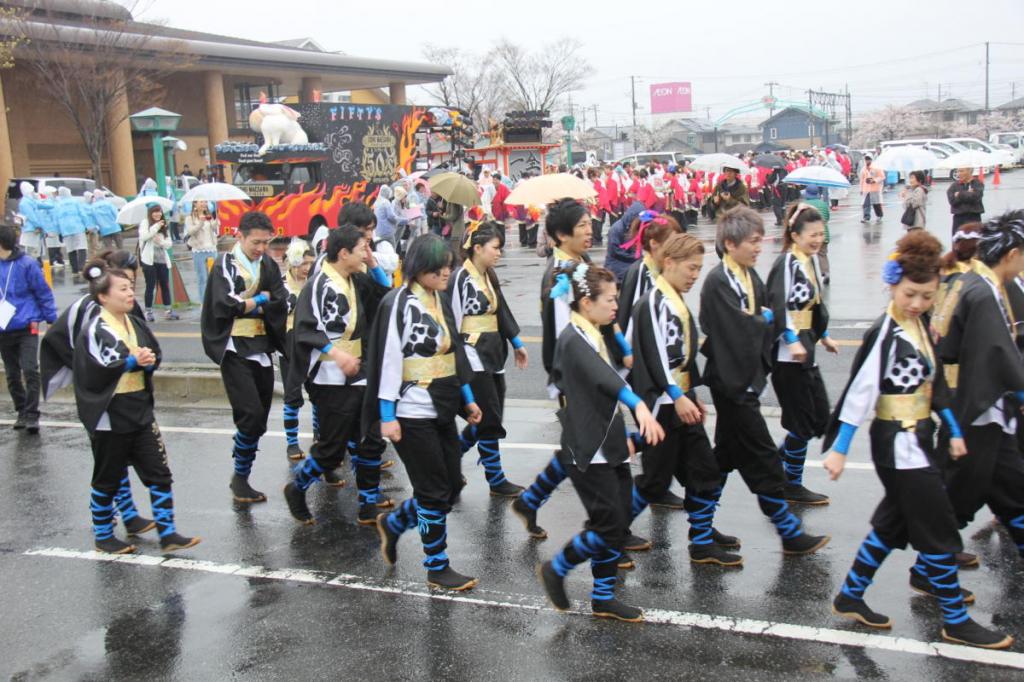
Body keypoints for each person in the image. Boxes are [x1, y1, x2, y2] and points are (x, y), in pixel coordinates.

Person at [822, 231, 1011, 650]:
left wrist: (954, 430)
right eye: (910, 294)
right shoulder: (885, 332)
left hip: (918, 438)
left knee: (895, 521)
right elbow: (860, 392)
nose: (917, 303)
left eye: (927, 296)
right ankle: (955, 620)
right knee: (939, 523)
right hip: (897, 441)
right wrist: (839, 448)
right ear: (893, 285)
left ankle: (851, 594)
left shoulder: (919, 326)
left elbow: (936, 386)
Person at [537, 261, 664, 622]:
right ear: (586, 302)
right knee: (609, 523)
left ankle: (603, 597)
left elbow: (615, 375)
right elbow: (605, 378)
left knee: (618, 522)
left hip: (609, 440)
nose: (615, 306)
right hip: (587, 446)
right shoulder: (572, 339)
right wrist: (638, 405)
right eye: (609, 299)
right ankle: (557, 568)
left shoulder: (593, 331)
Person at [700, 207, 830, 555]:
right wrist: (765, 319)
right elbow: (731, 327)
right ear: (730, 244)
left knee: (724, 457)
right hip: (732, 384)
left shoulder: (747, 274)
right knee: (764, 459)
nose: (760, 247)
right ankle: (789, 533)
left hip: (745, 380)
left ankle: (701, 533)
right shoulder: (718, 281)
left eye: (760, 240)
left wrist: (764, 318)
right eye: (753, 242)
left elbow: (761, 316)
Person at [512, 198, 633, 543]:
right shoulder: (559, 276)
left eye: (589, 223)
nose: (589, 230)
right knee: (594, 448)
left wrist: (622, 349)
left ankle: (531, 501)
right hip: (578, 376)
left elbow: (605, 316)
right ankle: (610, 533)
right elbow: (564, 337)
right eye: (582, 226)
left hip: (597, 366)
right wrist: (571, 382)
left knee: (581, 445)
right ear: (562, 235)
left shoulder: (582, 262)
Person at [368, 234, 483, 591]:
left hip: (443, 403)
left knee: (450, 484)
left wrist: (467, 398)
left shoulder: (439, 298)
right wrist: (387, 415)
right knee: (432, 489)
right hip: (410, 409)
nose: (447, 272)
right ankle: (436, 566)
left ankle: (394, 524)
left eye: (449, 265)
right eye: (439, 267)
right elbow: (388, 360)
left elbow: (454, 353)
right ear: (420, 267)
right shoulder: (397, 303)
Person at [628, 233, 741, 566]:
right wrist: (678, 395)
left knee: (704, 469)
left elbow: (683, 355)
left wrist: (690, 392)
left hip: (679, 400)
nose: (695, 275)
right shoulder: (651, 303)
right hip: (661, 406)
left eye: (699, 269)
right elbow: (655, 356)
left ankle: (702, 539)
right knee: (655, 481)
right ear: (669, 263)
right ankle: (610, 530)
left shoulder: (674, 299)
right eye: (691, 268)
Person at [75, 257, 200, 554]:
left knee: (158, 471)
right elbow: (98, 369)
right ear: (103, 296)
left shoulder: (135, 323)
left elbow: (153, 351)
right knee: (107, 477)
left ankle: (168, 532)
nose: (130, 293)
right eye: (122, 289)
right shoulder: (95, 328)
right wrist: (132, 361)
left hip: (139, 407)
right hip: (110, 411)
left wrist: (149, 360)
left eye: (131, 287)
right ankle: (103, 535)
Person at [41, 249, 154, 536]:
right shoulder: (90, 309)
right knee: (109, 464)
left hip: (126, 395)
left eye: (131, 283)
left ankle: (130, 515)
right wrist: (87, 373)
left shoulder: (124, 307)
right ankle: (104, 524)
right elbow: (61, 342)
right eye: (124, 283)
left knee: (119, 460)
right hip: (102, 397)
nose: (129, 289)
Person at [284, 226, 393, 525]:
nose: (365, 253)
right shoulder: (318, 284)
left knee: (371, 438)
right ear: (343, 253)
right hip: (329, 376)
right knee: (332, 449)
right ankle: (297, 487)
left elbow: (385, 297)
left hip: (359, 371)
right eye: (361, 249)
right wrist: (336, 353)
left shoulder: (356, 279)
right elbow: (305, 329)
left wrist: (373, 263)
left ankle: (368, 504)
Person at [939, 210, 1024, 568]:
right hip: (975, 407)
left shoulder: (971, 281)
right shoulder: (984, 291)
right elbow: (999, 353)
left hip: (978, 404)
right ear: (1012, 254)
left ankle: (931, 562)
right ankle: (930, 566)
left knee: (1011, 488)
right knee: (961, 491)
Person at [201, 211, 288, 504]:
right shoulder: (225, 264)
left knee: (260, 417)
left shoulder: (267, 264)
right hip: (234, 347)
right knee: (249, 413)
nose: (261, 248)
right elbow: (226, 304)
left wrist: (252, 304)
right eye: (256, 242)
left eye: (266, 242)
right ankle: (240, 477)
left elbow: (280, 299)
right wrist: (260, 300)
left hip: (261, 345)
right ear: (240, 236)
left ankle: (241, 469)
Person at [449, 221, 528, 496]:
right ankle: (495, 479)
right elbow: (450, 322)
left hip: (493, 353)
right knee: (488, 418)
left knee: (489, 417)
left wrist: (516, 343)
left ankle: (450, 462)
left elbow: (501, 311)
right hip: (472, 356)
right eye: (495, 248)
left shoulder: (489, 276)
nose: (499, 253)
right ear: (478, 248)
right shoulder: (460, 278)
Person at [767, 203, 839, 505]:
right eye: (812, 234)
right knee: (802, 421)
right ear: (795, 235)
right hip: (788, 356)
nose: (818, 239)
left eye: (821, 234)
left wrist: (823, 335)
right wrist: (791, 339)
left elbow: (814, 306)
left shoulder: (809, 262)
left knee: (819, 417)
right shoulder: (787, 262)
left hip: (805, 350)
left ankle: (774, 465)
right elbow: (778, 304)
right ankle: (791, 484)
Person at [0, 224, 56, 433]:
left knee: (30, 369)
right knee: (12, 374)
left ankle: (32, 414)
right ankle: (21, 411)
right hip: (3, 327)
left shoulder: (27, 264)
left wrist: (50, 318)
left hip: (26, 325)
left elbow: (43, 292)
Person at [615, 211, 682, 337]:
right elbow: (632, 321)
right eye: (671, 243)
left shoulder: (661, 269)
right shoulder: (641, 272)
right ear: (654, 243)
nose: (675, 248)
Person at [280, 238, 315, 462]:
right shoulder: (281, 285)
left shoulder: (315, 283)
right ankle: (292, 443)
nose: (307, 267)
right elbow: (276, 312)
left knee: (318, 392)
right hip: (289, 344)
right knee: (292, 395)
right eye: (303, 263)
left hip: (311, 343)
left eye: (311, 262)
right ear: (293, 262)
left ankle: (319, 437)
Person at [138, 204, 179, 321]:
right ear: (150, 213)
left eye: (159, 212)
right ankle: (148, 312)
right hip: (149, 261)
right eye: (155, 212)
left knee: (165, 285)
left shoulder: (163, 224)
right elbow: (144, 236)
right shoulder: (145, 223)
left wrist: (160, 242)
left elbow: (169, 243)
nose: (158, 214)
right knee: (150, 286)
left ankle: (168, 311)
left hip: (162, 260)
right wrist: (156, 227)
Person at [185, 200, 220, 303]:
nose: (204, 204)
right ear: (195, 204)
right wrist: (200, 223)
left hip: (212, 249)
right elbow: (190, 231)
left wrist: (216, 222)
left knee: (213, 277)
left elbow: (214, 229)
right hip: (199, 250)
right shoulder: (190, 218)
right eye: (201, 202)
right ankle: (204, 302)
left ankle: (213, 300)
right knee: (202, 278)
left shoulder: (209, 215)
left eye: (205, 202)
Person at [603, 201, 646, 282]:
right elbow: (616, 251)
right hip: (616, 263)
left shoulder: (634, 228)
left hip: (629, 262)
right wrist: (635, 257)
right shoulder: (616, 228)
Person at [55, 186, 90, 275]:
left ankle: (74, 269)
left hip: (65, 230)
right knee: (81, 246)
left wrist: (58, 231)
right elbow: (82, 214)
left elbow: (56, 220)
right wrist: (88, 225)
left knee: (70, 249)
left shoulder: (58, 204)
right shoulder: (75, 202)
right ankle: (81, 267)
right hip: (78, 227)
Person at [802, 186, 831, 285]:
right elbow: (827, 217)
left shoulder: (805, 205)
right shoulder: (823, 204)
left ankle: (807, 275)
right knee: (822, 254)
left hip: (809, 234)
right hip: (823, 234)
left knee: (806, 254)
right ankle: (826, 273)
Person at [946, 167, 985, 235]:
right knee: (958, 239)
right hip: (959, 218)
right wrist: (968, 193)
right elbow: (952, 201)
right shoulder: (954, 186)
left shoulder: (977, 183)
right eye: (958, 171)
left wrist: (959, 194)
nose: (959, 174)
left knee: (975, 238)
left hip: (974, 217)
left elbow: (975, 197)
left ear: (969, 171)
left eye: (961, 171)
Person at [15, 182, 43, 260]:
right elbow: (31, 216)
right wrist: (38, 225)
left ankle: (34, 264)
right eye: (32, 190)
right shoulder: (25, 202)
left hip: (33, 229)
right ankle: (31, 265)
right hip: (30, 229)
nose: (34, 192)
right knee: (31, 251)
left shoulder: (30, 201)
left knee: (35, 251)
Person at [859, 155, 885, 223]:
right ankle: (866, 217)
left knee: (876, 204)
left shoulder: (877, 168)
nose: (867, 161)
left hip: (875, 189)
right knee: (866, 204)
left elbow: (882, 177)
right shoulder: (863, 169)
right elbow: (861, 179)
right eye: (866, 159)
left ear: (871, 160)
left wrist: (874, 180)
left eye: (869, 159)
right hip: (866, 189)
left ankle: (879, 215)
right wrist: (861, 189)